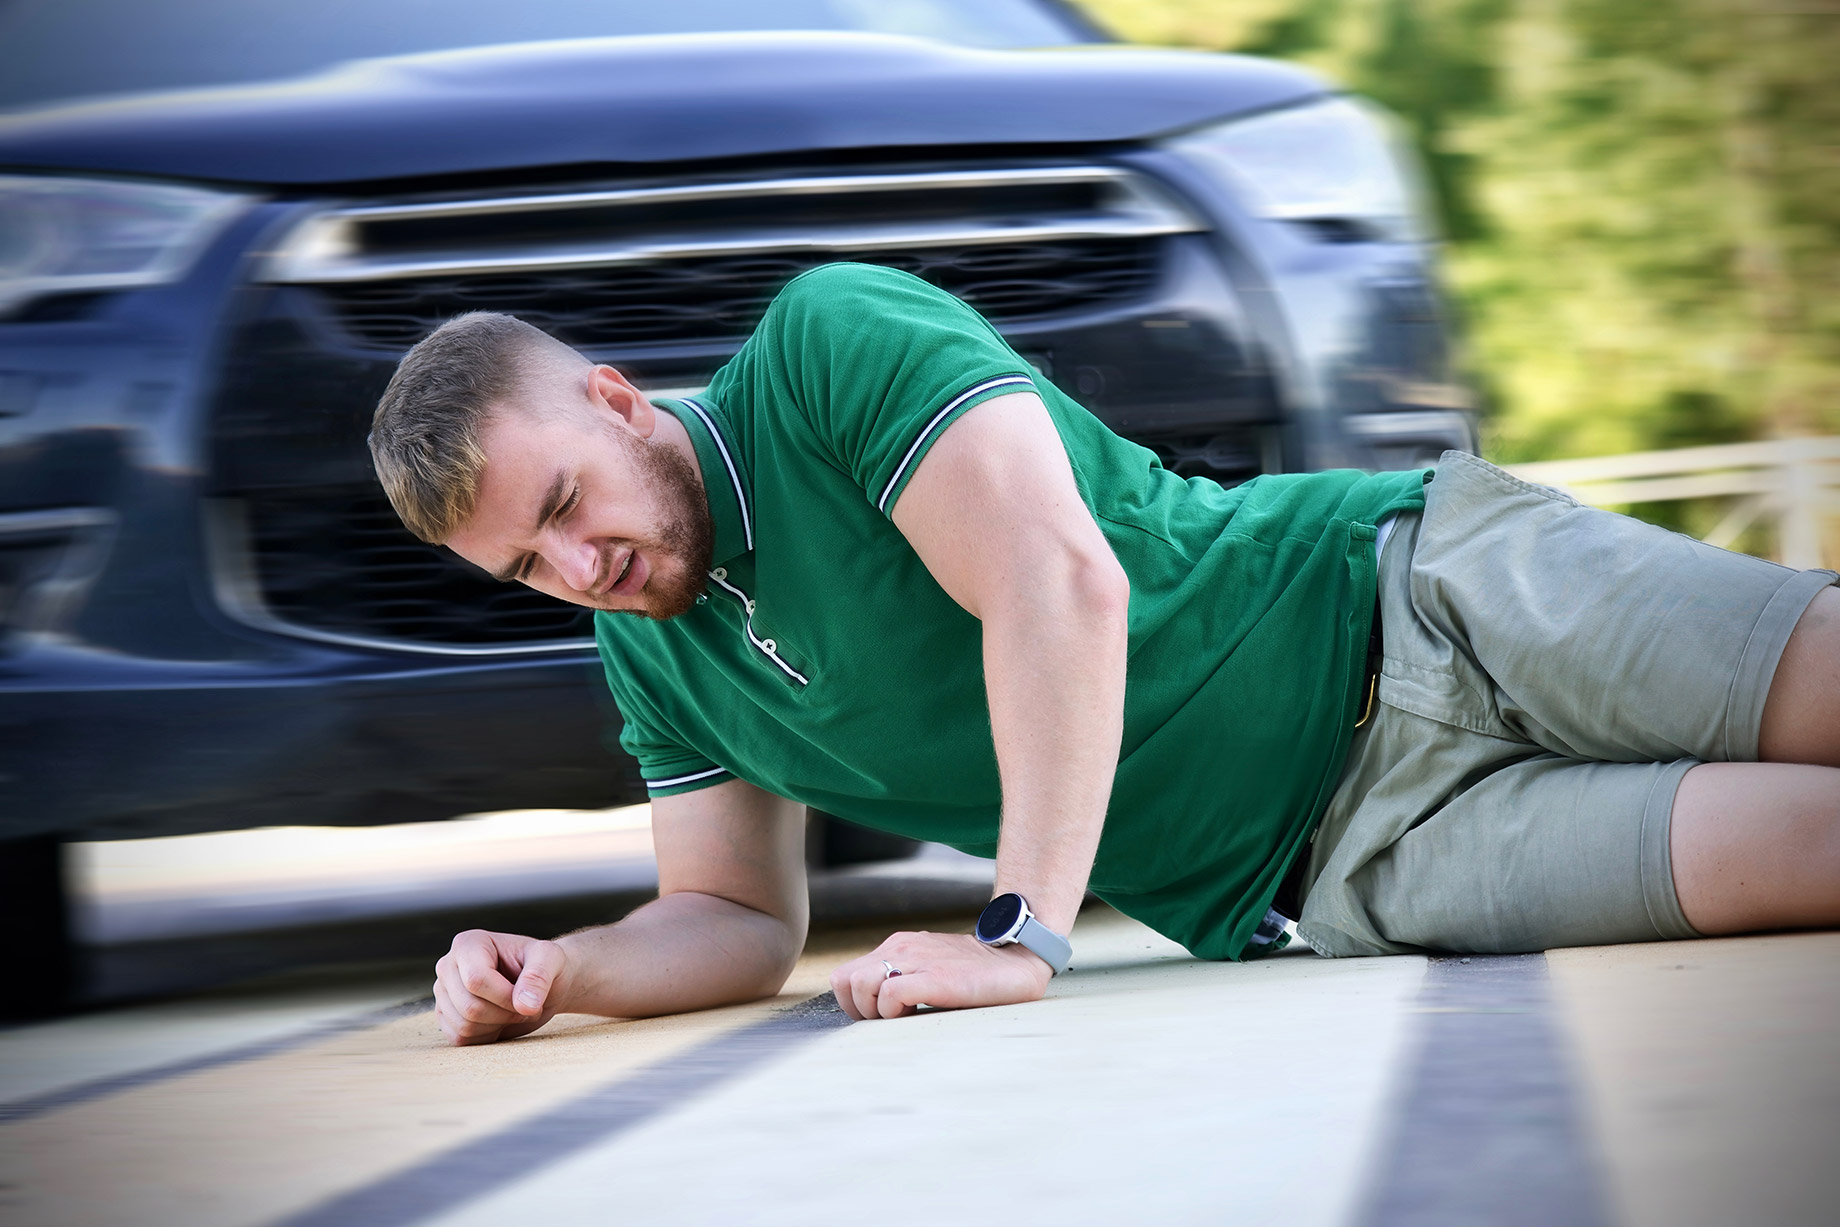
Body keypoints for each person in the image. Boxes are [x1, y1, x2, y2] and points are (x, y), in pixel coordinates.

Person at [368, 263, 1839, 1046]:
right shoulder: (653, 657)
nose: (580, 571)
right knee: (1814, 853)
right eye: (526, 570)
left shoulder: (825, 346)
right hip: (1361, 863)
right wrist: (562, 971)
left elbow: (1054, 581)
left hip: (1413, 591)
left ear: (618, 401)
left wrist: (1021, 934)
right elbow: (733, 916)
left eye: (564, 507)